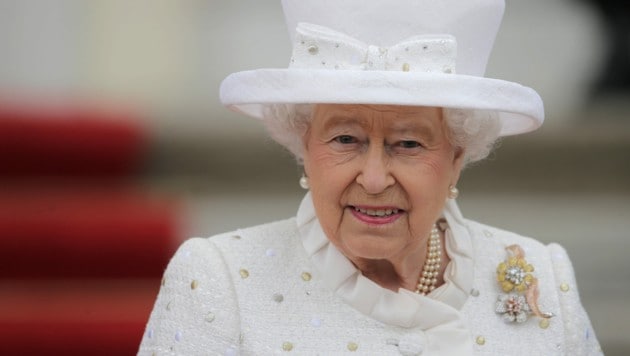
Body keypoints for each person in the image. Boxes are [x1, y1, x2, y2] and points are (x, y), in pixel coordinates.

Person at [139, 0, 602, 354]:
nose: (376, 178)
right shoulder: (218, 277)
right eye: (345, 140)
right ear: (304, 147)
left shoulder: (543, 275)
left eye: (408, 144)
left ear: (457, 157)